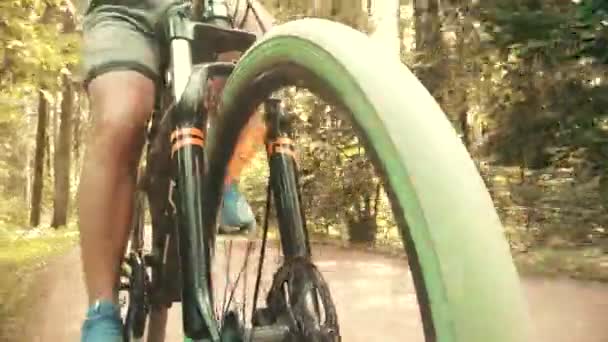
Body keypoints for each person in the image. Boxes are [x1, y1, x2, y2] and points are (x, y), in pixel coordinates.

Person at [77, 0, 271, 340]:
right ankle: (101, 312)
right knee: (120, 118)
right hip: (126, 9)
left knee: (270, 53)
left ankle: (222, 177)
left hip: (208, 4)